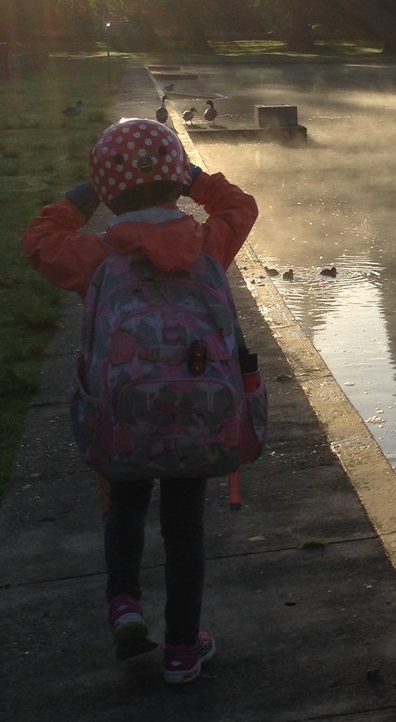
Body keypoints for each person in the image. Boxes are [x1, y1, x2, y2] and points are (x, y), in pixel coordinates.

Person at [23, 118, 258, 683]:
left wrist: (86, 194)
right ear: (176, 181)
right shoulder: (205, 245)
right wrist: (195, 178)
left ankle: (125, 604)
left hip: (124, 417)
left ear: (110, 192)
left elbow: (39, 240)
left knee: (126, 503)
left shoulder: (96, 256)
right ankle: (182, 648)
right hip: (197, 417)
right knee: (184, 525)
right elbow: (240, 206)